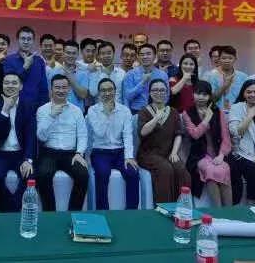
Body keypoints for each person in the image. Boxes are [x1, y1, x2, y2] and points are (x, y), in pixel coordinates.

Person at [35, 75, 88, 211]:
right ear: (51, 89)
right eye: (57, 87)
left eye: (64, 87)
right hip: (49, 152)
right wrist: (51, 116)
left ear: (69, 89)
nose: (61, 90)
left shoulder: (76, 111)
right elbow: (41, 137)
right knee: (42, 175)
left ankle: (73, 213)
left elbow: (82, 135)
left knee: (83, 175)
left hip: (71, 153)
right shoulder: (42, 110)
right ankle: (50, 213)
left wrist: (79, 153)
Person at [86, 78, 139, 210]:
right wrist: (107, 114)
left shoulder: (124, 111)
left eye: (110, 90)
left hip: (120, 151)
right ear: (99, 93)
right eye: (103, 90)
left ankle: (132, 211)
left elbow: (128, 135)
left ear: (115, 91)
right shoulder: (92, 111)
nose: (107, 93)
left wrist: (129, 156)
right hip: (100, 151)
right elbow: (99, 133)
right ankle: (103, 212)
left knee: (132, 172)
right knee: (102, 173)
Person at [0, 73, 36, 212]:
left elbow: (31, 135)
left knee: (30, 176)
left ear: (21, 86)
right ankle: (9, 210)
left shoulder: (28, 106)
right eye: (6, 83)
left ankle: (13, 209)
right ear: (2, 85)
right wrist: (5, 110)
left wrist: (28, 159)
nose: (10, 86)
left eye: (14, 83)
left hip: (20, 154)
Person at [136, 79, 191, 203]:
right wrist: (156, 118)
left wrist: (174, 152)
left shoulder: (173, 112)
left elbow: (178, 134)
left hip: (168, 153)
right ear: (150, 93)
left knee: (182, 170)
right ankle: (164, 207)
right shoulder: (144, 111)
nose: (159, 93)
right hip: (148, 154)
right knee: (165, 169)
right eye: (155, 90)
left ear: (167, 93)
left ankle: (182, 205)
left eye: (162, 90)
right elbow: (143, 132)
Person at [182, 80, 232, 207]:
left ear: (209, 96)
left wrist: (221, 155)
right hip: (198, 155)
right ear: (193, 94)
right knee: (210, 170)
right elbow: (195, 134)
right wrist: (206, 119)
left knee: (224, 168)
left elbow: (225, 137)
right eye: (198, 93)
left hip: (217, 153)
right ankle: (218, 210)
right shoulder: (187, 113)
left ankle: (229, 211)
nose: (200, 97)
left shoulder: (218, 112)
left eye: (204, 94)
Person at [4, 26, 49, 108]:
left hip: (35, 107)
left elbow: (44, 89)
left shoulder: (39, 61)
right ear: (18, 40)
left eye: (29, 39)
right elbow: (9, 84)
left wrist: (43, 108)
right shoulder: (9, 60)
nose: (26, 42)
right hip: (14, 106)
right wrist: (25, 67)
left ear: (33, 41)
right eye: (23, 39)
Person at [122, 44, 168, 113]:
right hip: (136, 111)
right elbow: (127, 97)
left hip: (157, 111)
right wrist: (142, 82)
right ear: (138, 57)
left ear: (155, 56)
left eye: (148, 54)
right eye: (142, 54)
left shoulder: (162, 75)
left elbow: (166, 96)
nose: (145, 57)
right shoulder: (130, 74)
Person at [46, 40, 89, 110]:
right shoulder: (53, 72)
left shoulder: (83, 73)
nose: (71, 56)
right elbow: (50, 95)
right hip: (58, 111)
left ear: (78, 54)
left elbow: (83, 95)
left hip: (77, 113)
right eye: (68, 53)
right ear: (63, 53)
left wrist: (69, 76)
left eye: (74, 53)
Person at [206, 45, 247, 114]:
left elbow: (246, 98)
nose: (227, 61)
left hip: (238, 114)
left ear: (235, 59)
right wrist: (224, 86)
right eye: (224, 58)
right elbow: (210, 100)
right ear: (219, 59)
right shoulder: (210, 76)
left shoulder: (243, 77)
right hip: (216, 114)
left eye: (230, 58)